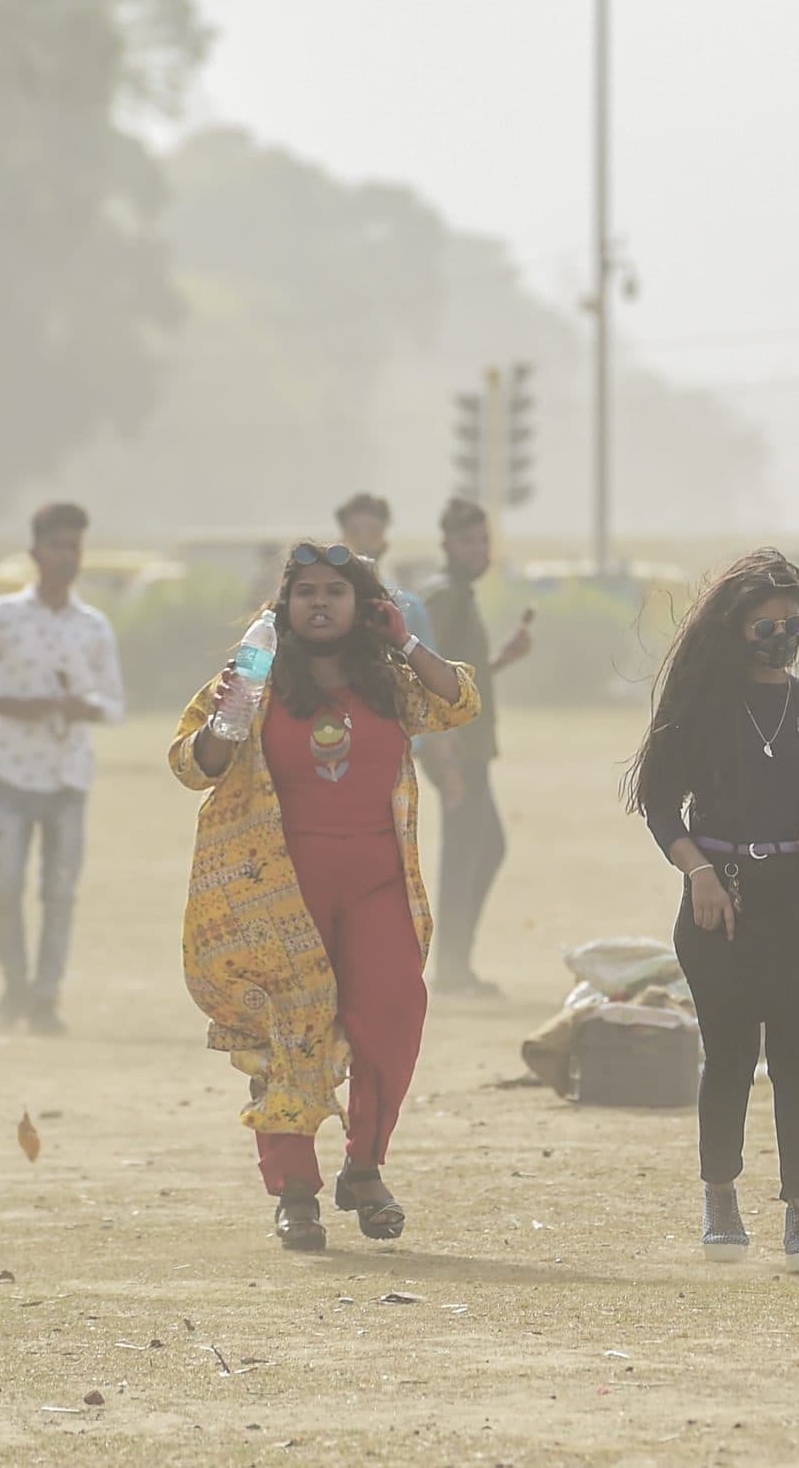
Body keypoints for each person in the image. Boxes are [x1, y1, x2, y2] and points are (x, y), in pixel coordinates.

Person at [169, 543, 480, 1253]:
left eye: (335, 591)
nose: (318, 602)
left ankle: (364, 1168)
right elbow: (193, 765)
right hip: (278, 892)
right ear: (284, 605)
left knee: (393, 1018)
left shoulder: (390, 680)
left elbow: (460, 699)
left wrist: (404, 637)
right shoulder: (253, 675)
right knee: (291, 1035)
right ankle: (296, 1194)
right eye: (304, 590)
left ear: (363, 604)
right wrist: (227, 719)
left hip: (376, 885)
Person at [626, 549, 799, 1272]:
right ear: (735, 628)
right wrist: (698, 872)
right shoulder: (700, 706)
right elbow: (660, 807)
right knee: (728, 1052)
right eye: (766, 625)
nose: (781, 634)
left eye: (792, 622)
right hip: (719, 896)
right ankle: (720, 1195)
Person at [0, 502, 124, 1035]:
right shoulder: (1, 617)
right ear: (35, 553)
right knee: (6, 886)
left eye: (73, 547)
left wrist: (83, 707)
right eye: (56, 546)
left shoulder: (92, 626)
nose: (65, 557)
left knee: (60, 892)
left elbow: (114, 703)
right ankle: (13, 990)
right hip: (11, 772)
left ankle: (45, 999)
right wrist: (12, 703)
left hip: (68, 775)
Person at [417, 497, 533, 996]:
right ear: (446, 543)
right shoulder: (446, 598)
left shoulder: (458, 596)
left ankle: (454, 963)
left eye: (483, 539)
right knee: (470, 850)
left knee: (481, 848)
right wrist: (443, 753)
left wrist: (500, 660)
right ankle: (451, 968)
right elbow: (423, 676)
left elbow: (459, 677)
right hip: (456, 751)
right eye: (468, 540)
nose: (479, 549)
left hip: (467, 748)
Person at [334, 493, 434, 653]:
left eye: (372, 533)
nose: (363, 541)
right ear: (341, 541)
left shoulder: (408, 606)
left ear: (384, 544)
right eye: (354, 533)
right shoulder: (329, 601)